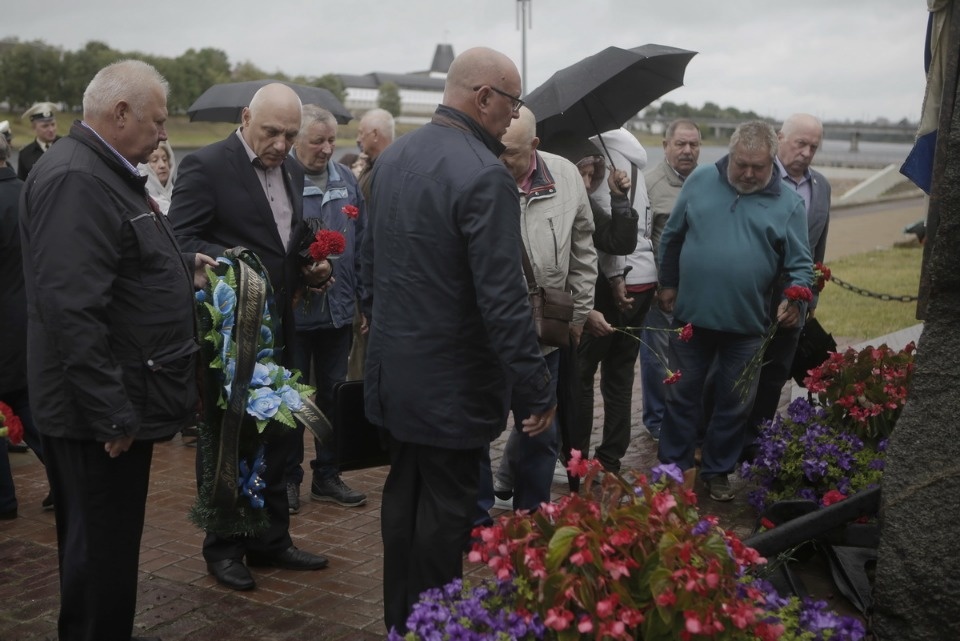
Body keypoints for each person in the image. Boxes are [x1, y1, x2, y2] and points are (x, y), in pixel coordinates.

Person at [360, 47, 556, 633]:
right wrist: (534, 390)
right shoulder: (483, 174)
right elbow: (502, 301)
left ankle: (402, 622)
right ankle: (430, 626)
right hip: (451, 390)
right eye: (512, 102)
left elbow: (369, 269)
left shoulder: (394, 158)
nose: (513, 117)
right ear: (484, 97)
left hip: (396, 379)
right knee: (444, 521)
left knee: (404, 505)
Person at [19, 59, 215, 641]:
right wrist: (110, 412)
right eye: (156, 121)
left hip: (110, 404)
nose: (163, 134)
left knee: (108, 551)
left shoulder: (101, 171)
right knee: (99, 558)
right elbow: (72, 310)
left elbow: (119, 264)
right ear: (121, 112)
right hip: (95, 417)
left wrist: (183, 267)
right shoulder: (78, 179)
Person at [169, 83, 331, 592]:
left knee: (282, 434)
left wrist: (308, 268)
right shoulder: (207, 165)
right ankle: (224, 545)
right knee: (231, 439)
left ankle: (271, 541)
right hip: (231, 334)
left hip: (282, 326)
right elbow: (179, 242)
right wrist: (235, 265)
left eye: (290, 134)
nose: (282, 144)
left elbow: (284, 243)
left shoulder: (291, 170)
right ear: (245, 118)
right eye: (271, 132)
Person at [657, 121, 813, 502]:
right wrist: (668, 283)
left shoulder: (789, 204)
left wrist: (794, 301)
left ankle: (717, 471)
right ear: (730, 156)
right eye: (741, 164)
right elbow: (672, 237)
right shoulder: (699, 183)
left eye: (757, 167)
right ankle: (672, 470)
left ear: (772, 161)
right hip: (690, 318)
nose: (747, 173)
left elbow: (802, 267)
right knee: (680, 397)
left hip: (747, 326)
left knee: (734, 403)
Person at [486, 106, 597, 514]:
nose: (500, 160)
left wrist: (580, 315)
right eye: (495, 149)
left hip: (545, 336)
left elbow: (584, 248)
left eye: (510, 153)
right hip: (487, 335)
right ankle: (479, 518)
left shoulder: (565, 175)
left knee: (539, 432)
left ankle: (532, 518)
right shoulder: (480, 174)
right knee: (479, 429)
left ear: (534, 146)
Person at [285, 104, 367, 513]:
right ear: (297, 140)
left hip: (337, 309)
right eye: (318, 140)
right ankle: (287, 477)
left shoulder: (347, 179)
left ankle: (328, 475)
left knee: (333, 394)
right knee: (292, 396)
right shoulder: (280, 178)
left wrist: (364, 300)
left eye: (332, 139)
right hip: (296, 312)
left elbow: (364, 241)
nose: (327, 148)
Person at [742, 114, 830, 457]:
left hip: (795, 301)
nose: (806, 152)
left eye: (813, 147)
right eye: (800, 144)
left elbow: (818, 247)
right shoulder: (755, 176)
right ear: (780, 139)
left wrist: (809, 299)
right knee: (738, 373)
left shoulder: (821, 186)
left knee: (775, 374)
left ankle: (754, 443)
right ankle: (718, 444)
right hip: (752, 295)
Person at [574, 128, 656, 473]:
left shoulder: (596, 150)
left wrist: (616, 276)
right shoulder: (633, 160)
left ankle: (574, 455)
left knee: (581, 374)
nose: (589, 177)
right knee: (620, 376)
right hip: (644, 276)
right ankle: (610, 457)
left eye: (592, 171)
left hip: (614, 282)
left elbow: (607, 238)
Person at [640, 119, 702, 441]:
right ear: (665, 146)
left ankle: (686, 416)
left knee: (692, 358)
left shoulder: (709, 183)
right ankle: (657, 420)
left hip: (699, 292)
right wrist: (661, 285)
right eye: (680, 144)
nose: (687, 151)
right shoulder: (649, 185)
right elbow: (643, 239)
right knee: (657, 359)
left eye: (693, 145)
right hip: (662, 291)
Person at [0, 125, 51, 512]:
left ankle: (4, 498)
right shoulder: (28, 193)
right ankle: (68, 479)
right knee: (32, 409)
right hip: (29, 320)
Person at [349, 108, 395, 381]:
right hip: (363, 271)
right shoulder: (372, 165)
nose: (357, 139)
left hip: (374, 274)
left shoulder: (387, 169)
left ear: (376, 134)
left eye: (361, 133)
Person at [17, 102, 61, 180]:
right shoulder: (25, 154)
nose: (51, 129)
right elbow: (22, 184)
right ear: (34, 128)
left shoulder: (66, 145)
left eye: (53, 124)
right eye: (45, 126)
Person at [138, 140, 176, 214]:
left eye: (165, 159)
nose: (162, 165)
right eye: (154, 160)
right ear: (145, 167)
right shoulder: (142, 203)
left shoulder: (179, 195)